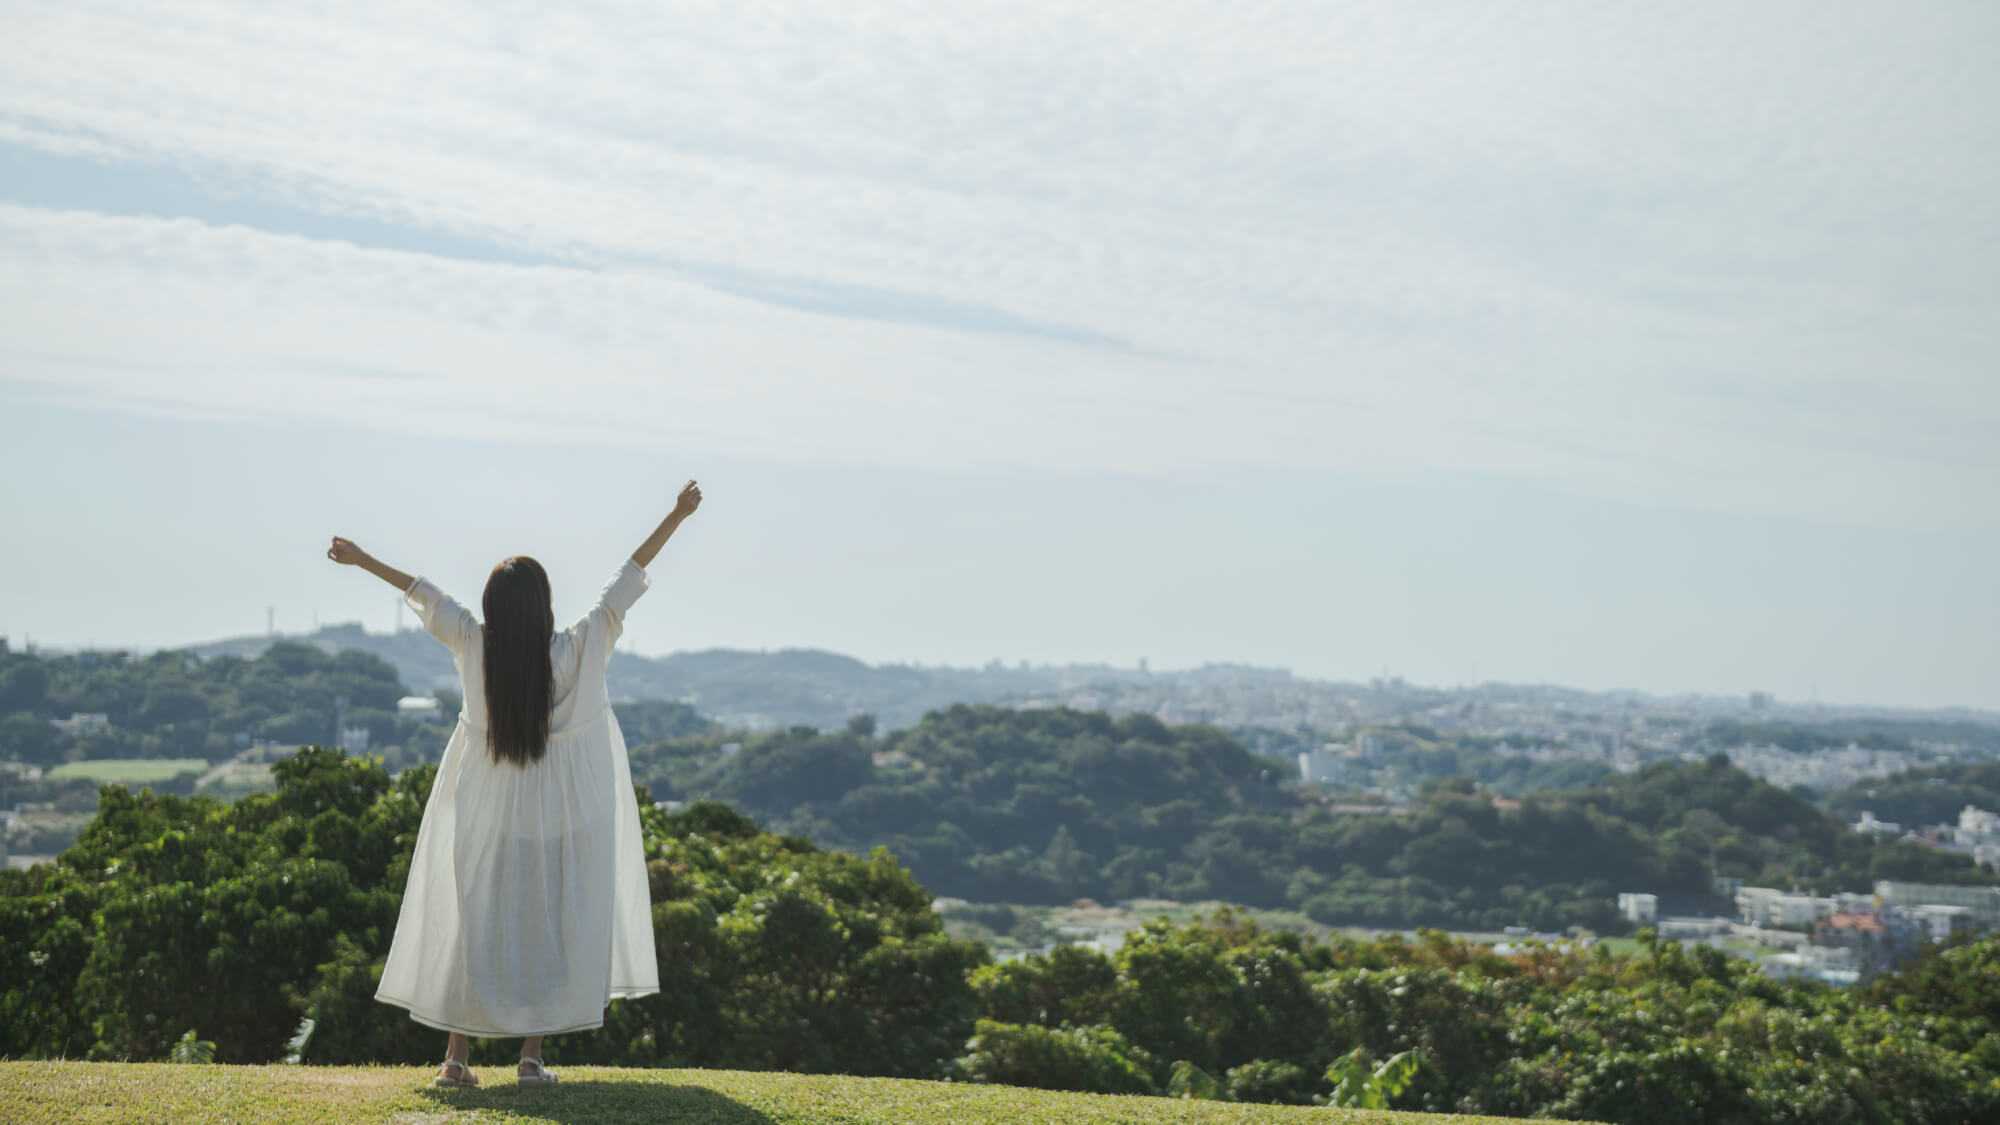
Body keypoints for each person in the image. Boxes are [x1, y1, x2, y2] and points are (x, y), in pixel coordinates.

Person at [326, 479, 702, 1087]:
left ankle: (455, 1060)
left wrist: (362, 559)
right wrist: (677, 514)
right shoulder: (579, 648)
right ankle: (531, 1059)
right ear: (545, 604)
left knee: (476, 926)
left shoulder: (475, 646)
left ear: (495, 608)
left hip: (492, 813)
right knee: (550, 929)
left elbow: (425, 594)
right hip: (565, 817)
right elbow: (628, 576)